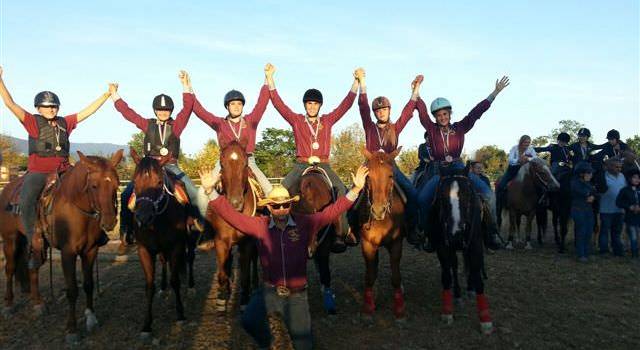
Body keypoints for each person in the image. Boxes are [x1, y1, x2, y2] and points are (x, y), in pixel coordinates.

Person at [197, 165, 369, 350]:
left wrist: (356, 189)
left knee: (304, 344)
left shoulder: (304, 223)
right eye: (276, 206)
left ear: (290, 205)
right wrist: (209, 191)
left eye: (285, 205)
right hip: (269, 291)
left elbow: (332, 212)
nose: (281, 209)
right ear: (269, 207)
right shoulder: (259, 225)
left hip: (297, 295)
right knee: (249, 320)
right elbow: (232, 216)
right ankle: (266, 343)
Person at [0, 66, 112, 268]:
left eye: (54, 106)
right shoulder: (32, 122)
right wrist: (0, 82)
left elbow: (87, 112)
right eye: (47, 106)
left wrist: (106, 95)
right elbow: (10, 103)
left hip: (63, 170)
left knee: (89, 189)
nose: (51, 109)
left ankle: (97, 231)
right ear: (38, 108)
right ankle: (34, 240)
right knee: (26, 199)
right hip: (39, 172)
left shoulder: (65, 122)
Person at [266, 64, 359, 250]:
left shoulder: (327, 120)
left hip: (324, 165)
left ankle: (344, 231)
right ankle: (273, 231)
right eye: (309, 103)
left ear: (319, 106)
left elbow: (345, 106)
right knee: (280, 192)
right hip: (301, 164)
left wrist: (356, 83)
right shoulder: (297, 120)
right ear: (305, 105)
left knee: (341, 189)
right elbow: (278, 104)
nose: (312, 106)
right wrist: (270, 78)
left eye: (315, 104)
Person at [416, 76, 510, 250]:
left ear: (450, 114)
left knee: (489, 195)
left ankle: (492, 232)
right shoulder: (431, 130)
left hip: (459, 168)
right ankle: (427, 234)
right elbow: (421, 112)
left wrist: (494, 93)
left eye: (445, 114)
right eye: (438, 115)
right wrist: (416, 91)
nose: (442, 117)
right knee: (421, 199)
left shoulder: (460, 127)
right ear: (435, 118)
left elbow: (476, 112)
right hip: (439, 171)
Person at [110, 71, 203, 242]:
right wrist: (115, 96)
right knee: (126, 195)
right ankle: (126, 230)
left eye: (166, 110)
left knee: (194, 192)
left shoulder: (177, 125)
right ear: (155, 110)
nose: (163, 112)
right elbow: (129, 114)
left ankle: (201, 227)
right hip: (150, 167)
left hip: (170, 165)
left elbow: (188, 108)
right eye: (160, 110)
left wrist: (185, 85)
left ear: (170, 111)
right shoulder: (147, 124)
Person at [355, 69, 421, 242]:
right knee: (351, 195)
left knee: (413, 194)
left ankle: (412, 229)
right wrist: (362, 83)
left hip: (391, 168)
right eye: (378, 110)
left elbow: (407, 112)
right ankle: (351, 231)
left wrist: (415, 90)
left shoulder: (395, 127)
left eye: (384, 109)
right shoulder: (369, 127)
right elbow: (363, 108)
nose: (381, 112)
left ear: (389, 110)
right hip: (370, 168)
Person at [190, 64, 273, 201]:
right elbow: (200, 111)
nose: (236, 107)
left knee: (270, 191)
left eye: (239, 104)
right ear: (227, 106)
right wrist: (188, 88)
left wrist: (267, 77)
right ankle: (203, 221)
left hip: (248, 160)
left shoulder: (251, 120)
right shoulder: (220, 123)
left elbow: (262, 102)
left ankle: (271, 222)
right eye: (233, 104)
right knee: (202, 194)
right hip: (224, 162)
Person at [595, 158, 626, 256]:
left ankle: (617, 250)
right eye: (617, 167)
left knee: (617, 231)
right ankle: (604, 250)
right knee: (604, 231)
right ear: (609, 166)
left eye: (620, 167)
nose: (619, 169)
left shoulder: (622, 176)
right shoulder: (602, 176)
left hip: (619, 210)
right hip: (606, 209)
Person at [570, 162, 597, 262]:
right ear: (581, 174)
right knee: (582, 232)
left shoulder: (588, 183)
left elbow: (595, 193)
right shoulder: (575, 183)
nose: (591, 175)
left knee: (589, 232)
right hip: (578, 210)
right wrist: (591, 193)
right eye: (589, 173)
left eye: (590, 173)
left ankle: (586, 252)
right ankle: (581, 254)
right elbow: (584, 192)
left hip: (588, 211)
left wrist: (593, 196)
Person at [616, 169, 640, 258]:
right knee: (633, 236)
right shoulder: (625, 190)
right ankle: (634, 254)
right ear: (630, 179)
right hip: (630, 218)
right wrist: (629, 207)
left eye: (638, 178)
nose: (637, 180)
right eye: (634, 178)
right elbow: (618, 202)